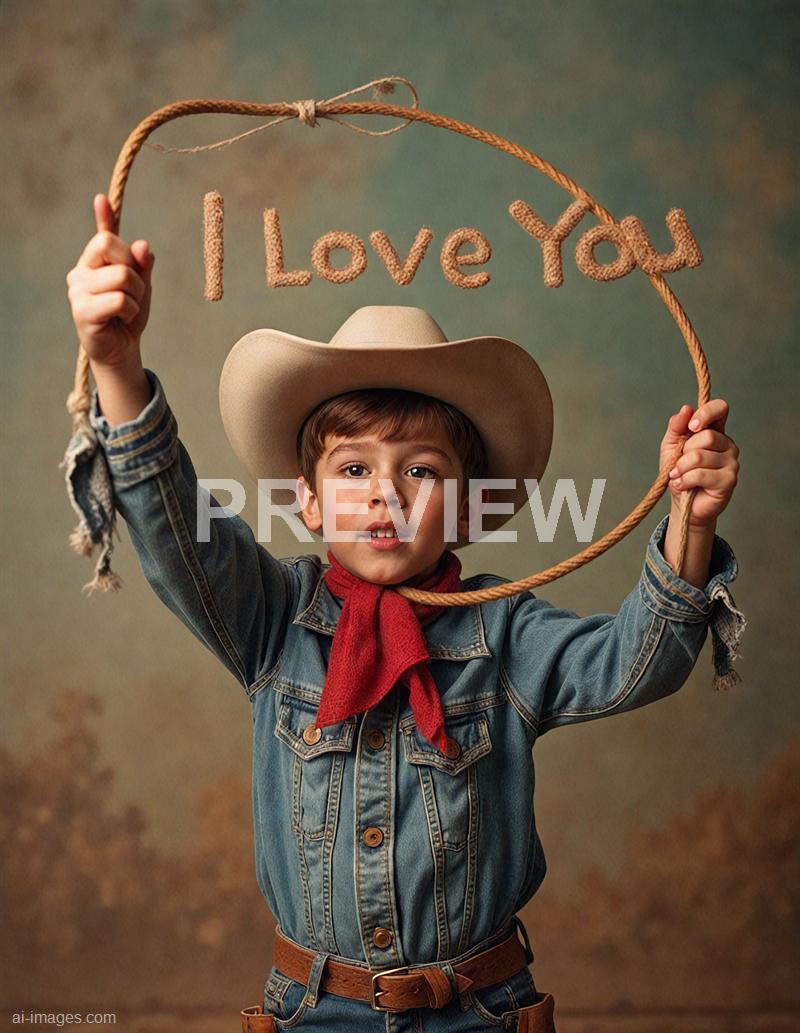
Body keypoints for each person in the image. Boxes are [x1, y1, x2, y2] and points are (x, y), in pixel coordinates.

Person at [64, 194, 745, 1033]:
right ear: (307, 501)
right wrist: (117, 367)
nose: (384, 494)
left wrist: (691, 518)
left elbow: (639, 659)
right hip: (313, 1009)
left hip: (480, 1009)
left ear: (464, 509)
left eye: (420, 471)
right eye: (352, 471)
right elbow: (178, 536)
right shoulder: (274, 617)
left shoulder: (504, 634)